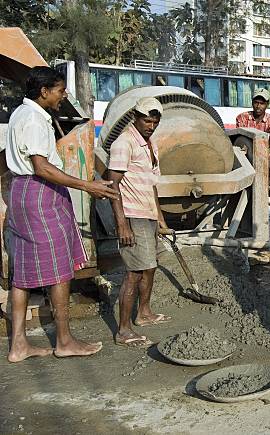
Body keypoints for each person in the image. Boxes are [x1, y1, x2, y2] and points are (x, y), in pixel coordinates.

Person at [6, 66, 118, 362]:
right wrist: (86, 185)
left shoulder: (20, 113)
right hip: (39, 195)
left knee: (21, 276)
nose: (63, 95)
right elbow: (42, 168)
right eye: (59, 90)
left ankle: (19, 345)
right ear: (43, 92)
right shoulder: (34, 119)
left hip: (20, 192)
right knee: (58, 271)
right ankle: (64, 341)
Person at [107, 97, 171, 347]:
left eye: (155, 121)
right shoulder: (124, 143)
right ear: (135, 116)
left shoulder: (150, 144)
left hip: (149, 215)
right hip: (133, 216)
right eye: (147, 120)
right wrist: (122, 223)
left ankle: (144, 313)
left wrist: (160, 219)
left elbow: (152, 186)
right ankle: (123, 330)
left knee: (150, 266)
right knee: (134, 273)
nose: (151, 125)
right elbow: (113, 185)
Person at [235, 88, 270, 195]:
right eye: (256, 102)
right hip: (246, 155)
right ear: (252, 103)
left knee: (268, 164)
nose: (258, 106)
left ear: (267, 104)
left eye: (262, 103)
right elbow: (239, 137)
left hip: (266, 154)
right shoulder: (242, 118)